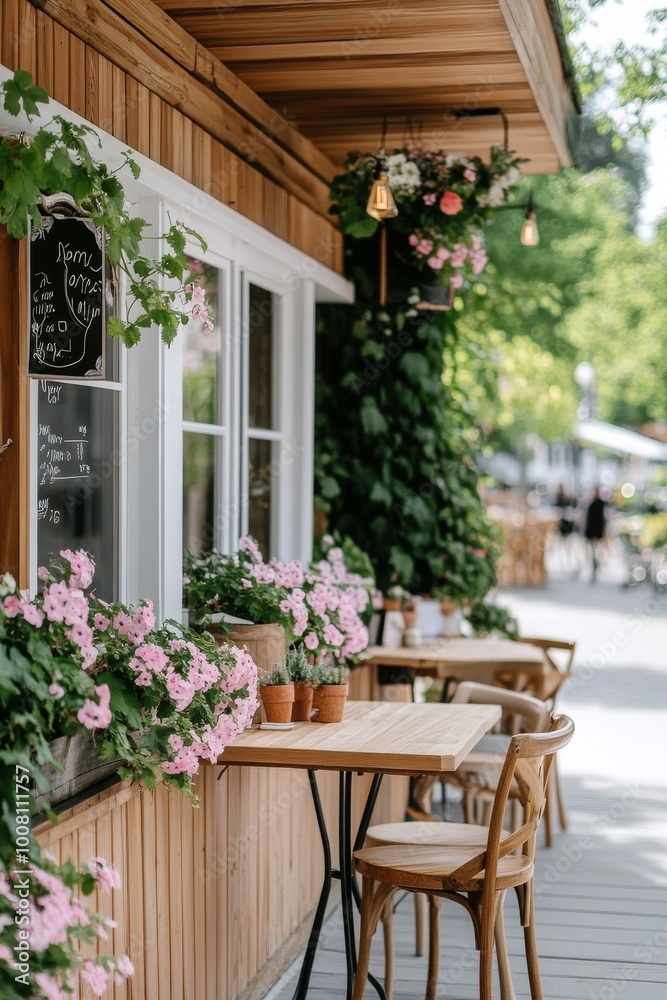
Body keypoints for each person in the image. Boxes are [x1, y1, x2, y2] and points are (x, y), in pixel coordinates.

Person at [584, 487, 606, 582]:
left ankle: (596, 564)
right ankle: (595, 564)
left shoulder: (599, 503)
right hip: (593, 529)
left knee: (595, 550)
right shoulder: (593, 503)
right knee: (594, 550)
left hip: (596, 529)